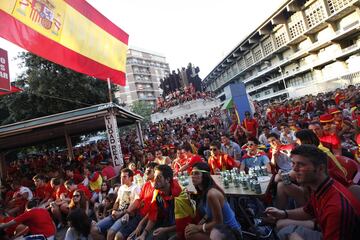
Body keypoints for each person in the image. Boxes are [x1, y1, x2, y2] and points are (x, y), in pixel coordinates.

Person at [265, 145, 360, 240]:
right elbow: (308, 211)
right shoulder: (321, 187)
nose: (294, 169)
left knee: (285, 232)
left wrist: (295, 237)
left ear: (320, 168)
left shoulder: (336, 208)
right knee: (282, 227)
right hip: (321, 226)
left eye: (301, 165)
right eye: (293, 164)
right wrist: (283, 213)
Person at [184, 162, 242, 240]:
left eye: (197, 173)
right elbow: (210, 213)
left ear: (205, 176)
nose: (193, 176)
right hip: (220, 229)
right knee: (189, 232)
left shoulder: (212, 193)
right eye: (192, 173)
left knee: (190, 235)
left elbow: (218, 222)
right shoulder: (203, 191)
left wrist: (198, 228)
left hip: (231, 232)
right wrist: (198, 224)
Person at [135, 164, 181, 240]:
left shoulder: (178, 194)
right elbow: (153, 215)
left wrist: (165, 230)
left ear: (167, 179)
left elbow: (184, 223)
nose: (155, 179)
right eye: (155, 176)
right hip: (164, 224)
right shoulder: (156, 192)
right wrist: (144, 234)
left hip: (179, 229)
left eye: (158, 177)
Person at [94, 168, 140, 240]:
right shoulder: (121, 188)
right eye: (121, 177)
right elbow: (117, 201)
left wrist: (121, 213)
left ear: (131, 178)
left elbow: (136, 203)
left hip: (126, 216)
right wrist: (114, 210)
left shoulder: (135, 188)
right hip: (116, 214)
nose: (122, 178)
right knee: (94, 229)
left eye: (124, 177)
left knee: (111, 233)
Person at [115, 162, 158, 240]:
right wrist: (127, 212)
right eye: (145, 170)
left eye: (148, 171)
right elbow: (138, 199)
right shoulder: (146, 185)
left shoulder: (158, 188)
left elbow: (153, 212)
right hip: (138, 216)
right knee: (118, 236)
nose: (145, 173)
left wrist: (140, 225)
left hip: (148, 220)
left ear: (155, 173)